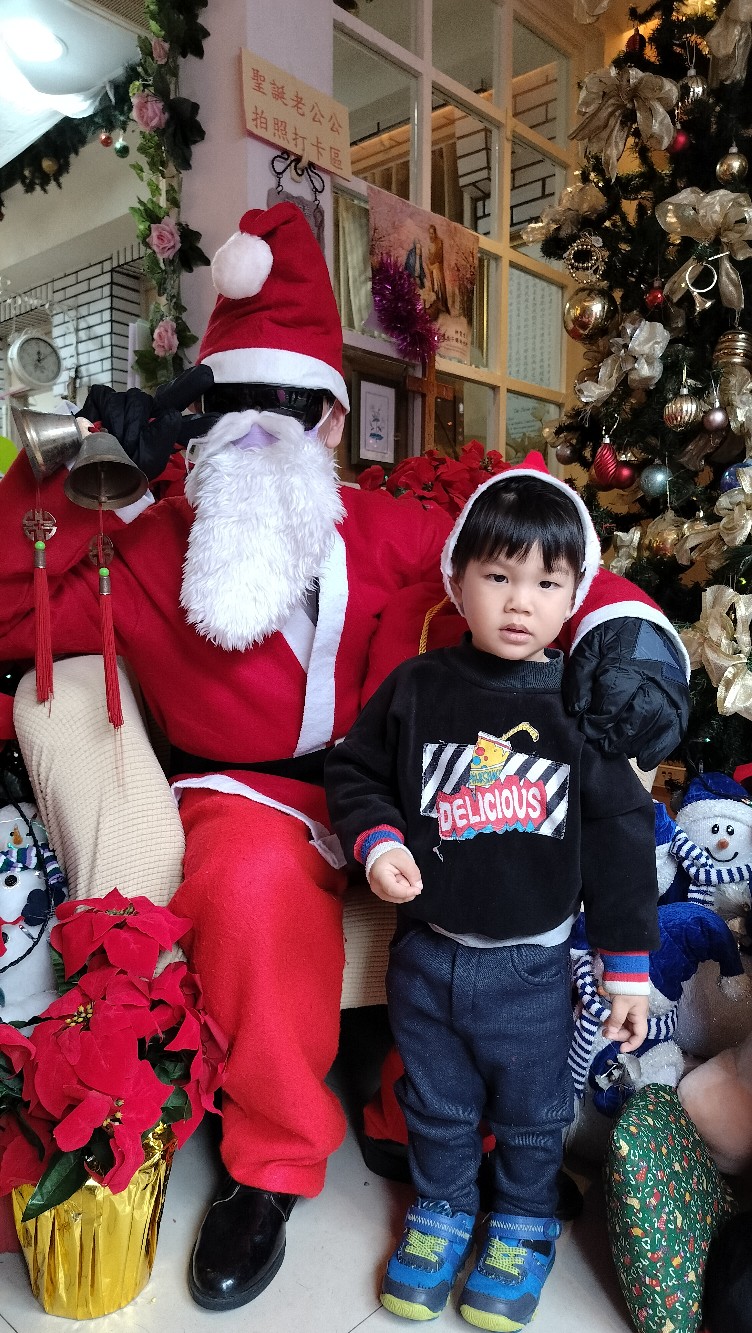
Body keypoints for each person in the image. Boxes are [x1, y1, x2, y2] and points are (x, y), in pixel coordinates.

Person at [0, 201, 688, 1314]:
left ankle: (422, 1116)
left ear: (330, 419)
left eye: (287, 405)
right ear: (194, 416)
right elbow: (12, 606)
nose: (255, 429)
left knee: (501, 846)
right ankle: (271, 1164)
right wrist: (85, 465)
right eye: (228, 404)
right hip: (246, 792)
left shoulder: (392, 528)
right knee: (248, 882)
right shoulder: (153, 542)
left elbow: (530, 555)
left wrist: (625, 633)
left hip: (407, 788)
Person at [325, 467, 660, 1330]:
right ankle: (441, 1208)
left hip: (532, 970)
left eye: (547, 583)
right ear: (458, 578)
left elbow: (622, 838)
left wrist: (626, 966)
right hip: (426, 954)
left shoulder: (578, 711)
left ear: (574, 594)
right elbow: (355, 770)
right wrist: (379, 841)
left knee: (533, 1113)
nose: (520, 602)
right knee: (435, 1102)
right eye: (499, 575)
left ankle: (521, 1219)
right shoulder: (419, 687)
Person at [426, 223, 448, 313]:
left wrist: (433, 265)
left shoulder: (439, 243)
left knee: (439, 286)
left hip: (437, 270)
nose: (430, 235)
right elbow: (429, 258)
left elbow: (439, 258)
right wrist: (429, 264)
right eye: (429, 233)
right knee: (434, 287)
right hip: (433, 271)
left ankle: (442, 304)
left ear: (435, 234)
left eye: (432, 233)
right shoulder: (429, 245)